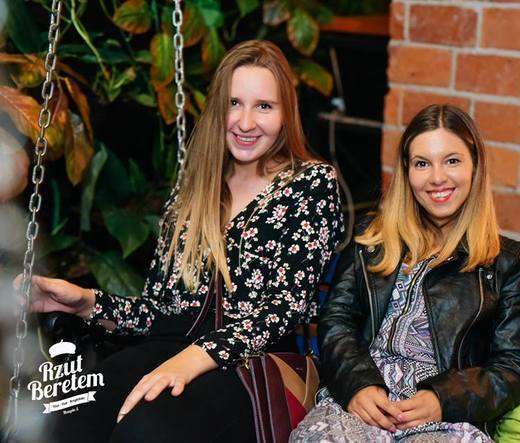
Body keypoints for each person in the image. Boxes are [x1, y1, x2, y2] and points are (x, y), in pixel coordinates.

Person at [18, 40, 344, 442]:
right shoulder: (194, 186)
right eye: (234, 103)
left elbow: (284, 308)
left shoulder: (310, 184)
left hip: (253, 365)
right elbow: (159, 310)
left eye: (264, 106)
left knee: (145, 433)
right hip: (167, 348)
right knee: (60, 419)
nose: (245, 122)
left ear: (285, 114)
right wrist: (85, 302)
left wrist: (191, 360)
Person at [291, 104, 520, 443]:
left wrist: (444, 399)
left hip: (444, 417)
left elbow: (516, 365)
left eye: (452, 161)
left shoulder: (505, 262)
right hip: (365, 402)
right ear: (407, 172)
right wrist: (357, 384)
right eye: (422, 163)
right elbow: (337, 319)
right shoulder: (373, 239)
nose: (437, 178)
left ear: (475, 166)